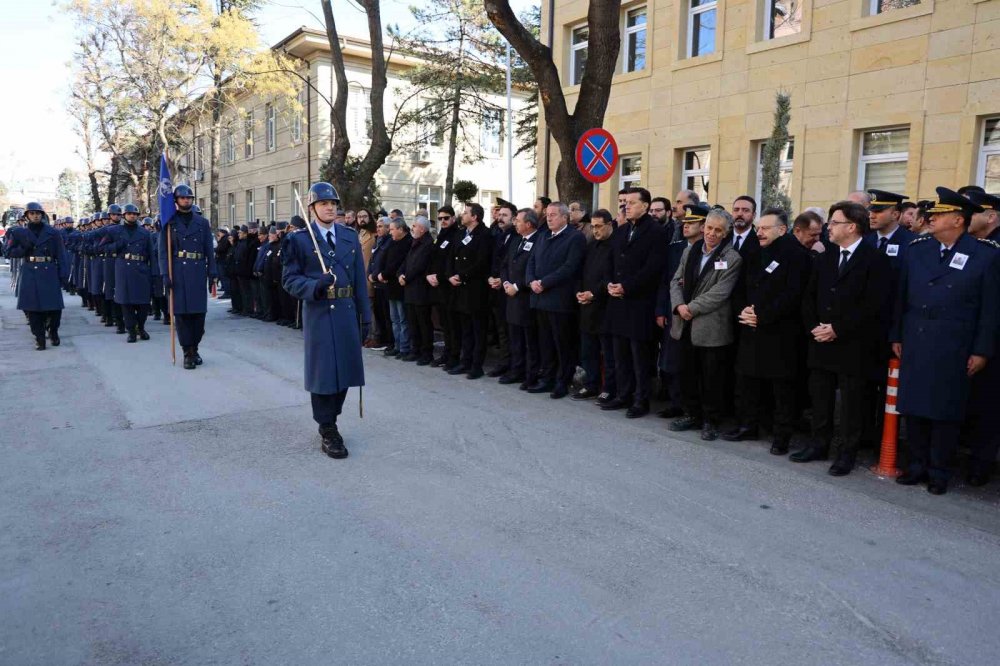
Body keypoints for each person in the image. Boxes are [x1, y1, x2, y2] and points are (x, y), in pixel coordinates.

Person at [892, 187, 1000, 494]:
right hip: (916, 338)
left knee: (945, 411)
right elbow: (901, 297)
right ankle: (915, 465)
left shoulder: (986, 254)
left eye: (939, 215)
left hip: (955, 343)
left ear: (957, 220)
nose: (931, 219)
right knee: (913, 406)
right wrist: (896, 334)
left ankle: (939, 471)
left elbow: (990, 309)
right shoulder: (918, 249)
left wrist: (981, 350)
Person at [794, 201, 891, 475]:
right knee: (821, 398)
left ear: (852, 226)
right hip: (820, 340)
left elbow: (874, 304)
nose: (829, 228)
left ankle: (846, 453)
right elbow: (809, 296)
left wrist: (838, 328)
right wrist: (814, 326)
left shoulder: (875, 260)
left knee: (851, 403)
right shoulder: (825, 257)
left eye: (834, 223)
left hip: (853, 344)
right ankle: (818, 444)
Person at [281, 182, 371, 460]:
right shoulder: (299, 240)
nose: (330, 207)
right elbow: (289, 280)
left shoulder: (348, 236)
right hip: (319, 311)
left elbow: (358, 279)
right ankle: (327, 427)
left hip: (345, 310)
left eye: (333, 203)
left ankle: (332, 416)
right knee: (323, 374)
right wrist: (314, 285)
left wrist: (365, 315)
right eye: (323, 203)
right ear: (312, 208)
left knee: (344, 369)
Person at [723, 208, 812, 453]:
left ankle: (781, 435)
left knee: (782, 388)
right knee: (747, 381)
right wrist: (743, 311)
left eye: (764, 228)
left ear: (782, 230)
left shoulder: (797, 256)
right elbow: (739, 287)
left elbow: (793, 295)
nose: (759, 232)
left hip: (780, 332)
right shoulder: (753, 252)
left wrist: (762, 316)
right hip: (751, 328)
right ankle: (747, 425)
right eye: (758, 228)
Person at [667, 206, 742, 439]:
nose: (711, 233)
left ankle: (711, 420)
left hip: (711, 327)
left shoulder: (731, 258)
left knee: (712, 378)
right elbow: (675, 280)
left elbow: (720, 292)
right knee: (687, 372)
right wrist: (679, 306)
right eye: (709, 228)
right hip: (685, 323)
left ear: (725, 233)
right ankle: (692, 414)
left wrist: (691, 308)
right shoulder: (691, 251)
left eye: (718, 230)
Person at [603, 187, 670, 418]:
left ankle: (641, 400)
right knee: (620, 353)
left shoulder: (656, 232)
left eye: (632, 203)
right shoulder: (621, 231)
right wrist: (611, 284)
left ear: (645, 206)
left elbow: (653, 268)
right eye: (625, 203)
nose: (626, 206)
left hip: (640, 303)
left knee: (640, 356)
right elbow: (611, 262)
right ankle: (623, 395)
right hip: (618, 302)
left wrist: (627, 287)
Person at [525, 201, 586, 399]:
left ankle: (562, 381)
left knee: (563, 344)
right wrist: (531, 280)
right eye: (547, 214)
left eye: (553, 214)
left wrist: (544, 282)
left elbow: (570, 267)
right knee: (545, 342)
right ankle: (547, 378)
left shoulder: (575, 238)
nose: (548, 218)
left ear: (564, 217)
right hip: (539, 298)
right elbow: (531, 261)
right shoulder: (543, 236)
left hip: (560, 300)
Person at [159, 184, 217, 370]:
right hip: (178, 271)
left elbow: (209, 249)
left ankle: (195, 347)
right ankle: (187, 353)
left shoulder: (202, 223)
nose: (186, 200)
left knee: (199, 316)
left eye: (189, 198)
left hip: (198, 270)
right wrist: (165, 274)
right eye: (183, 198)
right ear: (175, 201)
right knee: (182, 315)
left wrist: (212, 272)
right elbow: (163, 252)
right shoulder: (169, 223)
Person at [655, 205, 704, 418]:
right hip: (674, 311)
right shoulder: (675, 248)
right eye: (685, 223)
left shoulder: (710, 250)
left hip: (697, 313)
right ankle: (676, 402)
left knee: (691, 363)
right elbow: (665, 281)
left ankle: (692, 407)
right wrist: (661, 310)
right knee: (671, 359)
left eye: (692, 223)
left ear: (703, 226)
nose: (686, 226)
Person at [4, 202, 70, 349]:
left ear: (42, 215)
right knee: (32, 308)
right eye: (32, 213)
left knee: (54, 308)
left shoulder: (53, 233)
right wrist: (23, 248)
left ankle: (53, 331)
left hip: (49, 270)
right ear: (27, 216)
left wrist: (63, 274)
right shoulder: (19, 232)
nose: (35, 216)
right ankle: (39, 337)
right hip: (30, 270)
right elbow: (8, 252)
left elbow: (61, 254)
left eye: (38, 213)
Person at [575, 209, 615, 401]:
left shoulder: (615, 246)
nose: (595, 230)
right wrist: (580, 292)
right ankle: (590, 384)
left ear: (609, 225)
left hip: (605, 306)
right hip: (586, 304)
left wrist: (595, 293)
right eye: (593, 226)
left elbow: (611, 277)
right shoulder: (591, 245)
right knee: (588, 349)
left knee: (607, 352)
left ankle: (608, 387)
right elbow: (582, 272)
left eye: (599, 226)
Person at [449, 203, 493, 379]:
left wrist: (462, 276)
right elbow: (453, 256)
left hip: (475, 288)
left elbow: (482, 262)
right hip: (460, 287)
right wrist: (451, 275)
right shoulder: (460, 233)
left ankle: (476, 365)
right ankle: (465, 361)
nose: (462, 215)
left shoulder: (485, 234)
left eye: (466, 213)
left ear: (475, 217)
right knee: (465, 328)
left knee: (477, 329)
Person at [500, 208, 542, 388]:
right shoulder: (516, 240)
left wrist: (517, 286)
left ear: (529, 224)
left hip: (526, 298)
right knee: (515, 338)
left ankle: (530, 374)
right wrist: (505, 283)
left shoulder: (538, 240)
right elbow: (505, 264)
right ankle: (516, 370)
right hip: (511, 297)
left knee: (529, 341)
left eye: (518, 220)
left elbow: (533, 269)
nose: (515, 223)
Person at [109, 204, 156, 342]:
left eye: (135, 214)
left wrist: (154, 273)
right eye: (129, 214)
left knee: (143, 303)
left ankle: (140, 327)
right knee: (126, 303)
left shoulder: (145, 233)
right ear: (124, 215)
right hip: (123, 268)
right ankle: (131, 331)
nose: (132, 216)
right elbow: (103, 246)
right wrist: (116, 246)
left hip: (141, 269)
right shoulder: (115, 231)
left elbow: (151, 255)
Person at [427, 206, 461, 368]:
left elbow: (451, 262)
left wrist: (439, 276)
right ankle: (447, 353)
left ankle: (454, 355)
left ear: (453, 218)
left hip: (449, 286)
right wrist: (430, 274)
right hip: (438, 285)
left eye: (446, 218)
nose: (443, 221)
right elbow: (434, 257)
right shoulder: (441, 235)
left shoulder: (456, 234)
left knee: (452, 324)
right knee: (444, 323)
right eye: (440, 219)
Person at [487, 201, 517, 377]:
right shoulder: (499, 235)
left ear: (514, 219)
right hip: (496, 288)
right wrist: (491, 277)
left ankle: (513, 364)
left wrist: (503, 280)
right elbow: (494, 261)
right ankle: (504, 362)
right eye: (499, 215)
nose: (500, 218)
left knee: (510, 330)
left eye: (505, 215)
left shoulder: (515, 237)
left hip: (509, 288)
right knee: (501, 330)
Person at [401, 216, 435, 364]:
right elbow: (406, 261)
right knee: (413, 322)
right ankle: (416, 350)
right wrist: (400, 274)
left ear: (422, 228)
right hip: (410, 289)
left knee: (423, 323)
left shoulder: (428, 244)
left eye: (414, 226)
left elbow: (420, 266)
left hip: (421, 290)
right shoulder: (414, 242)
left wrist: (406, 277)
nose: (412, 228)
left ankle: (426, 353)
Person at [380, 219, 413, 360]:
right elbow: (384, 258)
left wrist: (385, 273)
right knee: (394, 319)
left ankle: (404, 347)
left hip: (400, 286)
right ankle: (397, 345)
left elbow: (398, 263)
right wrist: (380, 273)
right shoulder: (392, 242)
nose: (390, 231)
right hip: (390, 285)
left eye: (392, 229)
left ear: (400, 229)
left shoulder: (408, 242)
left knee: (402, 319)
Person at [366, 217, 393, 352]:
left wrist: (377, 275)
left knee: (386, 314)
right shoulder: (378, 241)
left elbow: (387, 263)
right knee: (378, 313)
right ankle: (381, 339)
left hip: (384, 283)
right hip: (376, 282)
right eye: (377, 226)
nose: (378, 228)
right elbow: (372, 259)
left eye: (381, 226)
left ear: (388, 228)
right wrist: (369, 274)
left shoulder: (389, 242)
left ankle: (389, 341)